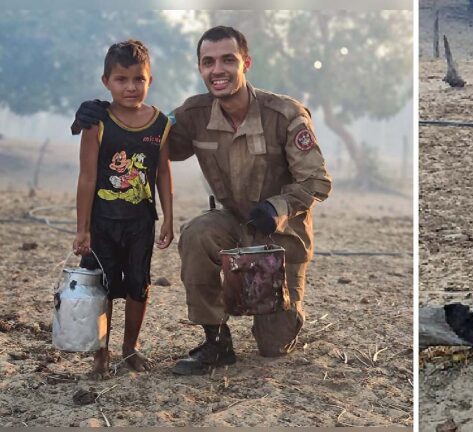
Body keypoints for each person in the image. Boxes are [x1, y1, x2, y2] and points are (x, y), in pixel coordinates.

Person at [74, 26, 332, 375]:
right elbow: (149, 139)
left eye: (228, 59)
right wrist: (102, 113)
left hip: (279, 235)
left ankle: (286, 313)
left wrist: (278, 208)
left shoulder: (284, 115)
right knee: (196, 233)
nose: (218, 70)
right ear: (200, 68)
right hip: (232, 222)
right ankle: (216, 340)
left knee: (273, 346)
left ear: (246, 63)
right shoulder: (193, 114)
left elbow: (317, 180)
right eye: (208, 62)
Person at [73, 39, 174, 377]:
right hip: (102, 222)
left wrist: (168, 218)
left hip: (140, 222)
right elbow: (87, 178)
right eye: (121, 80)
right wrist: (82, 228)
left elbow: (162, 173)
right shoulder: (97, 122)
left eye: (138, 79)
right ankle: (100, 355)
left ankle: (129, 348)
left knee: (138, 285)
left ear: (150, 79)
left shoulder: (160, 123)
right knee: (100, 289)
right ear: (107, 82)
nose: (131, 87)